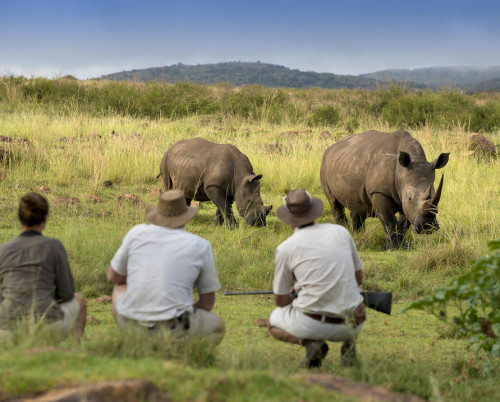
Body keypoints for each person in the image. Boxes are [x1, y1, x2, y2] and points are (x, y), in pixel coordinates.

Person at [107, 189, 225, 344]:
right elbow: (207, 303)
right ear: (186, 217)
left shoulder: (136, 232)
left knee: (119, 287)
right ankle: (186, 355)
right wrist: (181, 309)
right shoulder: (200, 245)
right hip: (174, 327)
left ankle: (134, 342)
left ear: (158, 213)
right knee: (218, 326)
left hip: (130, 322)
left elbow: (113, 277)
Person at [268, 188, 365, 368]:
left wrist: (293, 294)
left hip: (312, 324)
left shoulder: (286, 248)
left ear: (288, 217)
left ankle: (311, 344)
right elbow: (358, 279)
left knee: (273, 322)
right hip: (352, 324)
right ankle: (349, 346)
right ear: (313, 210)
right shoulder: (340, 232)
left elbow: (280, 301)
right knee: (356, 296)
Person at [0, 192, 87, 342]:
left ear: (20, 218)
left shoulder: (3, 250)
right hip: (46, 326)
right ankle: (74, 351)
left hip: (6, 330)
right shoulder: (54, 246)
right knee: (80, 300)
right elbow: (67, 293)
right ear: (46, 217)